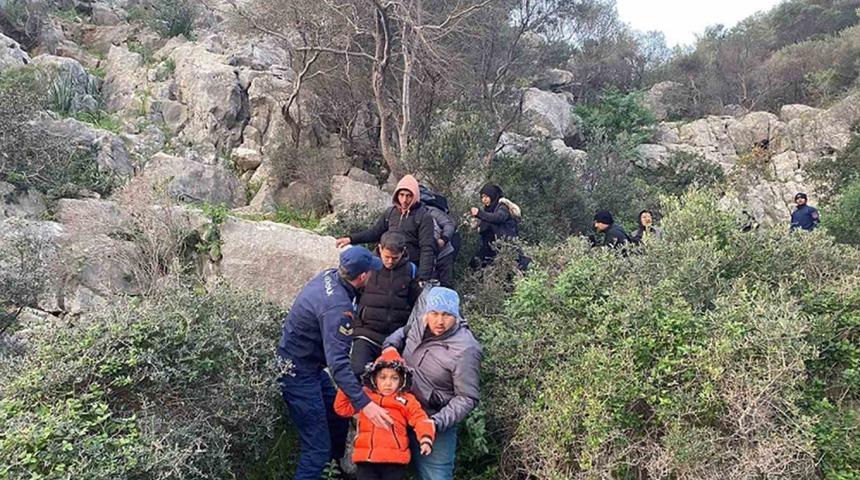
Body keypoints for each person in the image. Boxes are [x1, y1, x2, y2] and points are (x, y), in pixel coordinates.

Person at [277, 246, 395, 480]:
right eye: (371, 272)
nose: (373, 275)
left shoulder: (330, 275)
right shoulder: (338, 309)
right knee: (316, 450)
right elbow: (338, 364)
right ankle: (317, 469)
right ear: (362, 276)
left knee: (337, 417)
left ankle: (332, 473)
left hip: (305, 363)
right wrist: (365, 404)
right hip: (298, 373)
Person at [383, 287, 482, 480]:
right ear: (427, 312)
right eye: (434, 313)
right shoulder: (420, 323)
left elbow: (467, 397)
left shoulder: (466, 349)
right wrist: (390, 348)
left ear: (456, 315)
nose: (439, 321)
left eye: (446, 315)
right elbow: (402, 332)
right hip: (401, 412)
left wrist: (435, 423)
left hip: (433, 421)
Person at [334, 349, 436, 480]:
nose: (388, 383)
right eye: (382, 377)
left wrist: (426, 439)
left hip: (394, 461)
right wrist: (347, 385)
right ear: (374, 378)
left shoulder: (406, 400)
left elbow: (420, 419)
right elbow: (342, 409)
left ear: (402, 379)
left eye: (394, 378)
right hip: (366, 459)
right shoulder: (364, 396)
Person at [337, 175, 436, 283]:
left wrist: (422, 278)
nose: (404, 200)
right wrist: (351, 239)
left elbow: (427, 248)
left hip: (407, 265)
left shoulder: (423, 217)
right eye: (401, 195)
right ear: (397, 195)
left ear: (415, 196)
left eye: (409, 196)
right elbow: (375, 233)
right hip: (385, 260)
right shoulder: (391, 213)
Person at [351, 231, 421, 378]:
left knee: (394, 379)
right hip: (366, 334)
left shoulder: (410, 270)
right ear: (380, 248)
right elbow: (352, 295)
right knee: (359, 372)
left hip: (396, 338)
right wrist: (356, 325)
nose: (389, 261)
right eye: (386, 257)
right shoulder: (367, 267)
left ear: (403, 252)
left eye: (395, 258)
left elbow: (416, 303)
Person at [469, 184, 521, 268]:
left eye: (486, 197)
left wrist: (479, 213)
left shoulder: (503, 207)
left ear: (492, 195)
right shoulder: (490, 209)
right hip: (493, 247)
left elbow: (497, 218)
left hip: (506, 246)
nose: (484, 200)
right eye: (482, 197)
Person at [420, 185, 457, 287]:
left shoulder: (431, 211)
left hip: (443, 253)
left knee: (446, 284)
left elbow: (449, 224)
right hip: (427, 257)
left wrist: (443, 239)